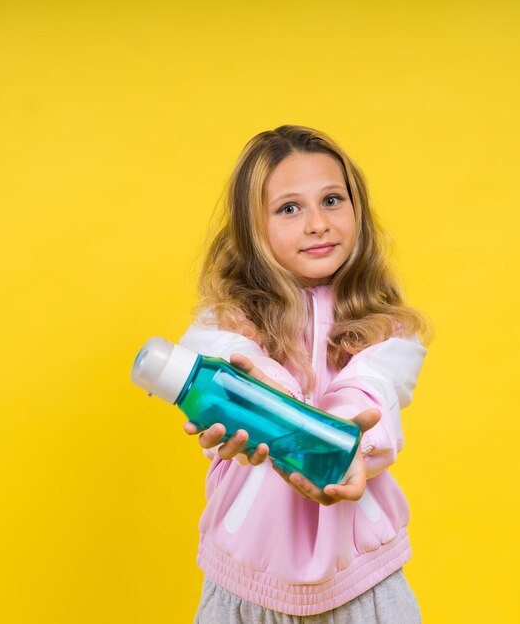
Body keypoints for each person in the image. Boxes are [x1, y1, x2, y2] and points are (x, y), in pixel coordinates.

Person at [179, 125, 431, 623]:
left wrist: (341, 444)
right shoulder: (226, 321)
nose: (317, 223)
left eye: (332, 200)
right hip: (244, 586)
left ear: (357, 210)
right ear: (253, 229)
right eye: (289, 208)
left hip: (364, 584)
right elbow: (215, 354)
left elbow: (370, 387)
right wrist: (262, 392)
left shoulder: (392, 330)